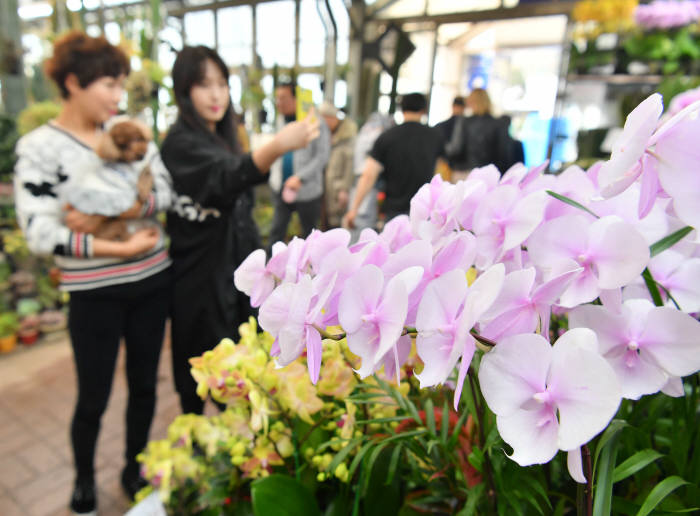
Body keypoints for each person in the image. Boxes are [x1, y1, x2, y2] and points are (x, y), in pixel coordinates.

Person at [13, 31, 173, 515]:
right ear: (71, 82)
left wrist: (111, 214)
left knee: (145, 386)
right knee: (93, 396)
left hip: (151, 281)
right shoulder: (41, 148)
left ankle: (133, 467)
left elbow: (164, 195)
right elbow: (38, 228)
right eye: (108, 83)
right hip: (94, 292)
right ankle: (84, 478)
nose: (117, 96)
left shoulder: (133, 133)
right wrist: (108, 244)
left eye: (120, 84)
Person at [159, 46, 319, 415]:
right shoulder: (181, 144)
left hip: (232, 270)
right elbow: (225, 179)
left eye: (221, 84)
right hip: (198, 274)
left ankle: (232, 438)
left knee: (238, 361)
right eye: (203, 85)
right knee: (199, 365)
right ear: (184, 91)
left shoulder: (222, 137)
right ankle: (197, 436)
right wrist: (277, 146)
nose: (216, 95)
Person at [343, 93, 445, 228]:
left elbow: (368, 175)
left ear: (401, 110)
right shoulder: (435, 136)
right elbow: (441, 171)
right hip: (425, 211)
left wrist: (354, 209)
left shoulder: (387, 137)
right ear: (424, 110)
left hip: (394, 213)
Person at [267, 82, 330, 245]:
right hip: (281, 187)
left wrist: (300, 178)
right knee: (276, 231)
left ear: (296, 99)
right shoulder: (280, 120)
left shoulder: (316, 122)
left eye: (283, 98)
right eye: (277, 98)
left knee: (310, 235)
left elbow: (322, 156)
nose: (279, 102)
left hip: (307, 191)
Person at [347, 112, 394, 242]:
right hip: (367, 186)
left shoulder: (365, 132)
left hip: (361, 184)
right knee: (362, 227)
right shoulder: (378, 135)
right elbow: (369, 172)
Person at [446, 88, 507, 179]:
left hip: (465, 172)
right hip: (489, 174)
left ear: (471, 102)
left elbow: (456, 149)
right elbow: (504, 154)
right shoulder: (499, 124)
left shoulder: (464, 122)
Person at [319, 101, 357, 228]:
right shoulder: (324, 135)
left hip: (337, 187)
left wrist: (344, 189)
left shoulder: (348, 135)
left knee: (337, 223)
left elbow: (350, 164)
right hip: (324, 188)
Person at [434, 96, 469, 173]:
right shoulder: (469, 125)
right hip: (463, 168)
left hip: (445, 167)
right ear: (464, 107)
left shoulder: (440, 126)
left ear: (452, 106)